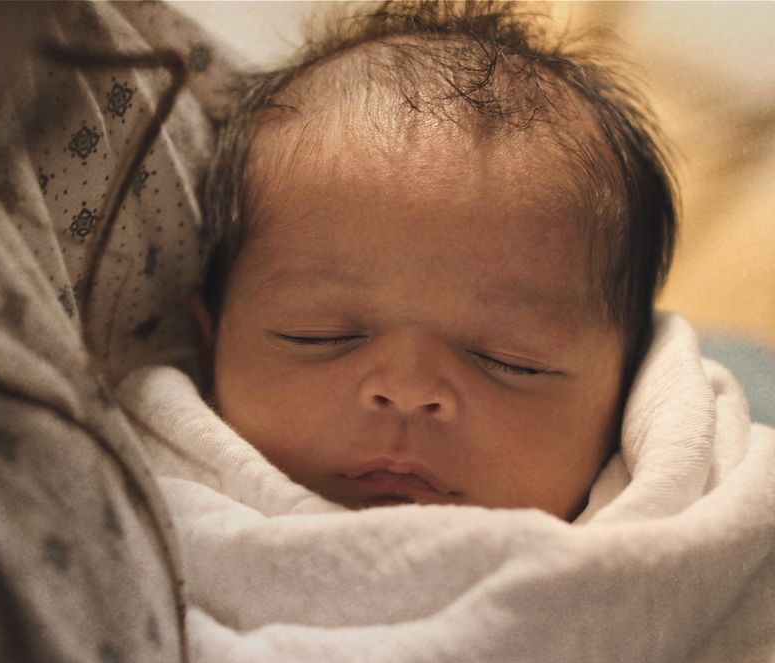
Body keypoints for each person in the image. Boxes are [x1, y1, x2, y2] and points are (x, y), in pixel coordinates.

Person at [191, 0, 676, 520]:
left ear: (629, 389)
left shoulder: (688, 534)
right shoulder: (152, 503)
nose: (407, 390)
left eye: (511, 361)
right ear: (207, 339)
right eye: (320, 335)